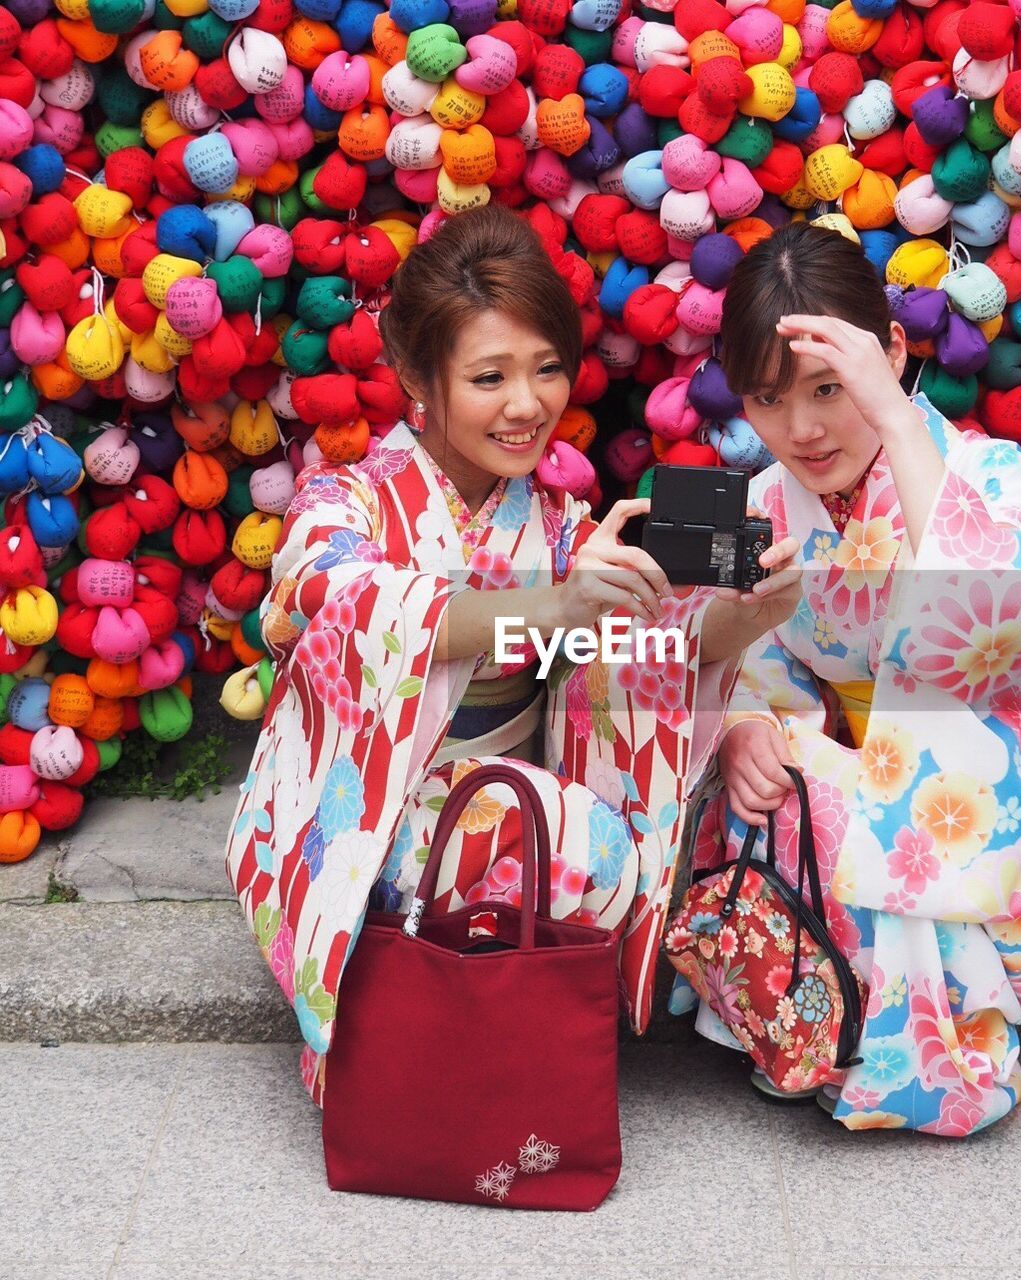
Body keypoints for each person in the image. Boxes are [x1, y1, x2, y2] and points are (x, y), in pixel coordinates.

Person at [224, 206, 801, 1104]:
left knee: (588, 839)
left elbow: (640, 652)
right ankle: (410, 995)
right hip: (375, 820)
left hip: (506, 813)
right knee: (578, 848)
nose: (527, 404)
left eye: (546, 370)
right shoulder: (347, 500)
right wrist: (554, 604)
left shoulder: (561, 524)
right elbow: (331, 600)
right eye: (489, 376)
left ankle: (472, 1018)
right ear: (419, 376)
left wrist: (745, 621)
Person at [672, 218, 1021, 1136]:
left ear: (891, 351)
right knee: (754, 788)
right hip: (873, 816)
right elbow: (752, 666)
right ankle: (843, 1009)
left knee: (869, 785)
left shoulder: (988, 474)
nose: (804, 430)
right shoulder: (769, 506)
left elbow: (1002, 624)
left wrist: (895, 419)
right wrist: (744, 725)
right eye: (771, 402)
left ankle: (873, 1034)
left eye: (830, 388)